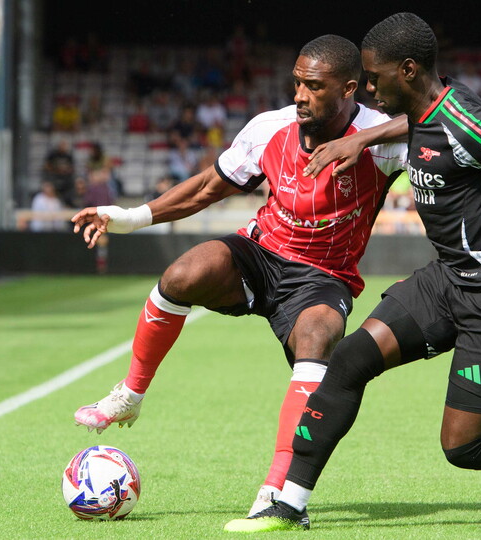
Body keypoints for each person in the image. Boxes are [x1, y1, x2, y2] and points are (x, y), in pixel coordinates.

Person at [226, 13, 481, 533]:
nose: (369, 88)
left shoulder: (471, 122)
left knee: (463, 446)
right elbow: (420, 122)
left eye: (374, 78)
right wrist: (361, 139)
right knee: (350, 361)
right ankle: (288, 503)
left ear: (409, 69)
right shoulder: (424, 107)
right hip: (447, 279)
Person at [68, 35, 408, 519]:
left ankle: (277, 491)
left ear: (350, 88)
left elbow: (444, 118)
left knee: (317, 336)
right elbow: (209, 187)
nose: (299, 95)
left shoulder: (381, 138)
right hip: (260, 253)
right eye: (296, 83)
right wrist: (130, 216)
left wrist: (362, 139)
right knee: (184, 273)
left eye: (314, 86)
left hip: (323, 277)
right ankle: (131, 394)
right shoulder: (270, 129)